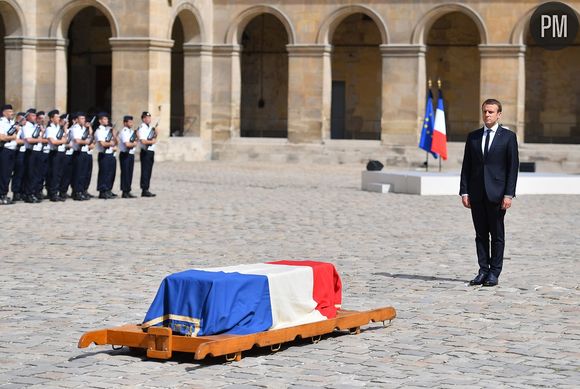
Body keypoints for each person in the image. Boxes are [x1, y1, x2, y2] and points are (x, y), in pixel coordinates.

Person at [460, 99, 519, 287]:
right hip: (476, 194)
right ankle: (483, 270)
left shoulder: (508, 137)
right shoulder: (473, 137)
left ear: (499, 114)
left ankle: (494, 272)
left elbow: (512, 168)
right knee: (480, 235)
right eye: (485, 111)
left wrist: (509, 194)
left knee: (497, 234)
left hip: (497, 194)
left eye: (491, 112)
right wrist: (464, 191)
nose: (487, 115)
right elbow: (466, 166)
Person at [21, 108, 43, 203]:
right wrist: (39, 140)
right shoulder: (26, 126)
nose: (35, 117)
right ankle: (28, 194)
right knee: (30, 173)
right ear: (28, 116)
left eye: (35, 115)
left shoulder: (35, 126)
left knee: (37, 173)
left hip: (37, 151)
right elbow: (29, 140)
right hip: (30, 151)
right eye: (33, 115)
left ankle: (33, 192)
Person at [45, 109, 67, 202]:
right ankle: (52, 193)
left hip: (61, 152)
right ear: (51, 119)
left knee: (59, 173)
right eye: (57, 117)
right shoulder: (50, 128)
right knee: (54, 173)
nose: (59, 118)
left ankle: (56, 192)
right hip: (54, 152)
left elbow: (65, 138)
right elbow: (53, 141)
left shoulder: (59, 128)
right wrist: (62, 141)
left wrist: (64, 130)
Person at [95, 112, 117, 199]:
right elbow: (103, 143)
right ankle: (102, 191)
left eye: (107, 119)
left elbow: (116, 142)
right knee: (104, 172)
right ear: (100, 121)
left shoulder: (108, 130)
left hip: (111, 153)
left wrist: (114, 134)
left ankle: (108, 189)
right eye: (104, 119)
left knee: (111, 173)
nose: (106, 120)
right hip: (104, 154)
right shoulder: (99, 130)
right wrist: (111, 143)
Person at [70, 112, 92, 201]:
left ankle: (82, 190)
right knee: (78, 173)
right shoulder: (75, 128)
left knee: (84, 173)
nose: (83, 120)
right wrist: (87, 142)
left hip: (85, 152)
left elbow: (90, 136)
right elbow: (77, 140)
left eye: (84, 118)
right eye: (81, 118)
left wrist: (89, 128)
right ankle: (77, 192)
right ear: (77, 119)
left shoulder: (84, 128)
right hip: (78, 152)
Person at [0, 104, 18, 204]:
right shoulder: (1, 122)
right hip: (5, 151)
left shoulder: (11, 122)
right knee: (3, 174)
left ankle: (4, 194)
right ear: (4, 112)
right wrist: (13, 137)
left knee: (7, 174)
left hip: (12, 150)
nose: (12, 113)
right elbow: (1, 137)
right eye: (10, 111)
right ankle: (1, 195)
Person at [118, 115, 138, 198]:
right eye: (129, 122)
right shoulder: (124, 131)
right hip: (125, 154)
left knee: (130, 173)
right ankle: (124, 191)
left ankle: (128, 190)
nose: (131, 123)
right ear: (125, 123)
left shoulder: (130, 131)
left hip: (130, 154)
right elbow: (127, 144)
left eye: (132, 122)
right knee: (125, 173)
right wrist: (134, 144)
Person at [138, 111, 157, 197]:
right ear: (143, 119)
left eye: (149, 117)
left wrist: (156, 133)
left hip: (151, 151)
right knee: (145, 170)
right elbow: (143, 140)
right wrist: (152, 141)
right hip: (146, 151)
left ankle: (147, 188)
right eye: (146, 117)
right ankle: (144, 189)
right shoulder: (142, 128)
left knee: (149, 170)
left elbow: (153, 137)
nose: (148, 119)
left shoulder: (149, 128)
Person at [11, 112, 27, 202]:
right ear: (18, 119)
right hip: (18, 152)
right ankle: (16, 192)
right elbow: (15, 140)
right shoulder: (15, 127)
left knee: (25, 173)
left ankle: (23, 191)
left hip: (26, 152)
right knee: (18, 173)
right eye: (23, 119)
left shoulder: (25, 128)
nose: (25, 121)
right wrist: (26, 140)